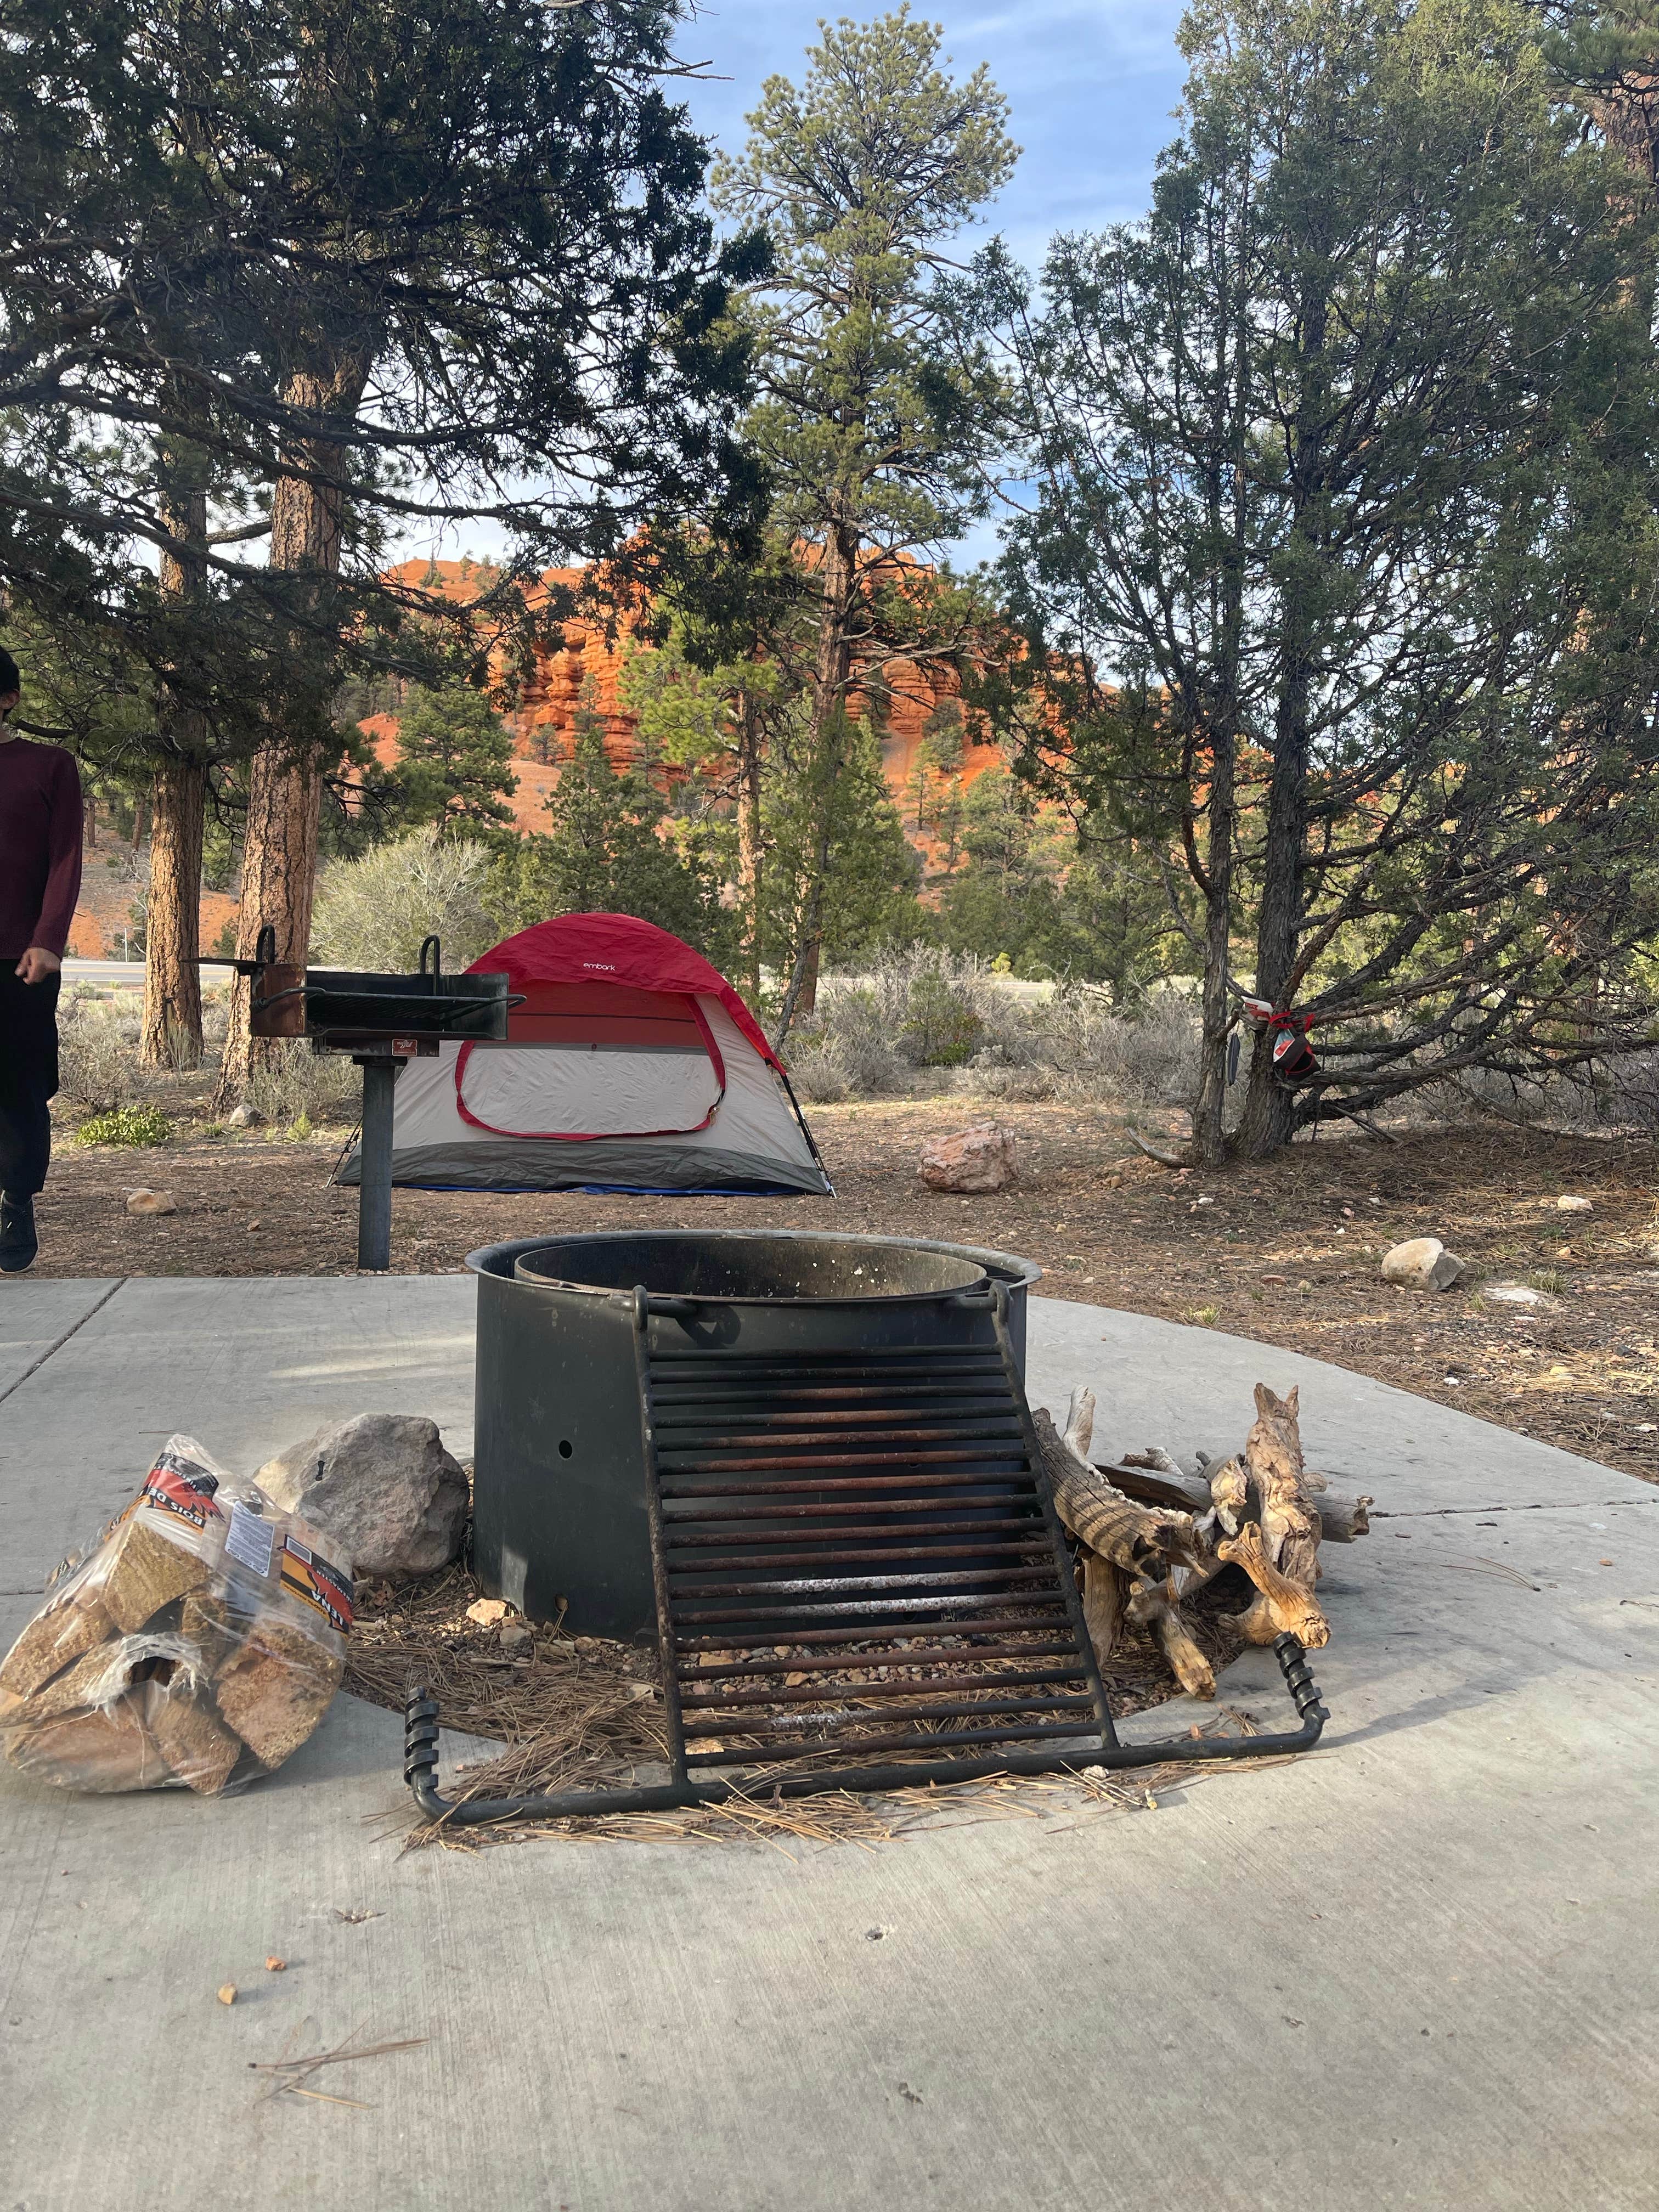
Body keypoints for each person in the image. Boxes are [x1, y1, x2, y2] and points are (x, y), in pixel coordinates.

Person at [0, 645, 83, 1272]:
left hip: (20, 960)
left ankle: (15, 1204)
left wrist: (49, 938)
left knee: (20, 1085)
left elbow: (65, 858)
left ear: (9, 699)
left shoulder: (48, 767)